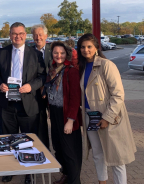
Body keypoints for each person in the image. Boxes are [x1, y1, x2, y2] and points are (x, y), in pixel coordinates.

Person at [77, 33, 136, 184]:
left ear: (96, 47)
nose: (86, 50)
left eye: (89, 46)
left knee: (116, 158)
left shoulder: (106, 65)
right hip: (90, 116)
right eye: (82, 47)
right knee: (98, 154)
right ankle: (101, 181)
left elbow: (118, 94)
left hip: (108, 117)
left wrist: (106, 118)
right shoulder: (82, 67)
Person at [0, 22, 46, 184]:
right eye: (14, 34)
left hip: (28, 104)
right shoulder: (2, 52)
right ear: (10, 35)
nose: (18, 36)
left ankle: (29, 173)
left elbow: (42, 76)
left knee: (28, 140)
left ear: (25, 35)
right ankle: (10, 169)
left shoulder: (35, 54)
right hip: (7, 104)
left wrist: (31, 86)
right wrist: (0, 84)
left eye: (21, 33)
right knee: (9, 139)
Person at [45, 41, 82, 184]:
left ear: (66, 53)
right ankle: (66, 175)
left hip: (67, 114)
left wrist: (71, 120)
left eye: (61, 53)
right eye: (55, 53)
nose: (58, 55)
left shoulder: (71, 71)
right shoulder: (52, 69)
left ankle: (74, 180)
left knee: (70, 151)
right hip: (55, 112)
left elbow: (75, 98)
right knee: (58, 147)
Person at [31, 24, 51, 149]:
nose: (38, 37)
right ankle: (43, 149)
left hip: (53, 92)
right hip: (36, 93)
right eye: (35, 35)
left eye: (40, 34)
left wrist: (46, 86)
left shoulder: (53, 49)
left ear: (46, 36)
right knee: (40, 123)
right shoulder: (30, 52)